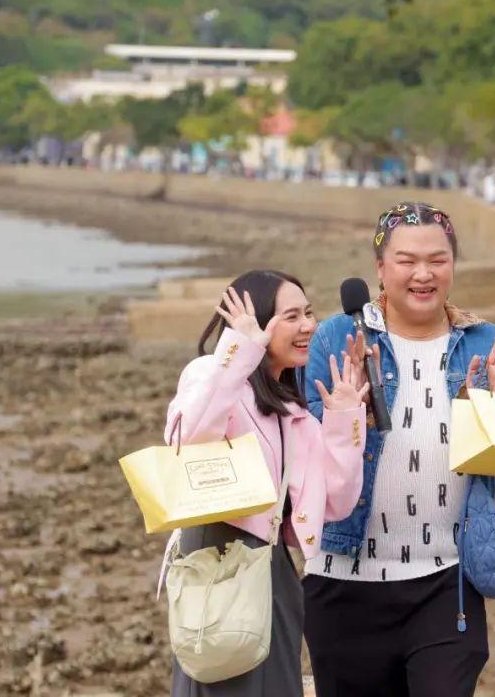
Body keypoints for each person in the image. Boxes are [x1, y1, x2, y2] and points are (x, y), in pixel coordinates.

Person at [303, 202, 495, 697]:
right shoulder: (337, 336)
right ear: (381, 268)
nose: (423, 274)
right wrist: (345, 411)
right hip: (342, 581)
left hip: (447, 585)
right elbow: (303, 451)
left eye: (438, 259)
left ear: (453, 264)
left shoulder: (484, 342)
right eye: (406, 261)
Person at [164, 270, 369, 697]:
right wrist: (240, 348)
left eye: (309, 313)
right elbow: (188, 437)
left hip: (273, 571)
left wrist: (344, 420)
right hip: (218, 564)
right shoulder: (209, 373)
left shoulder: (291, 413)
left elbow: (335, 503)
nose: (309, 326)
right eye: (291, 316)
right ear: (257, 323)